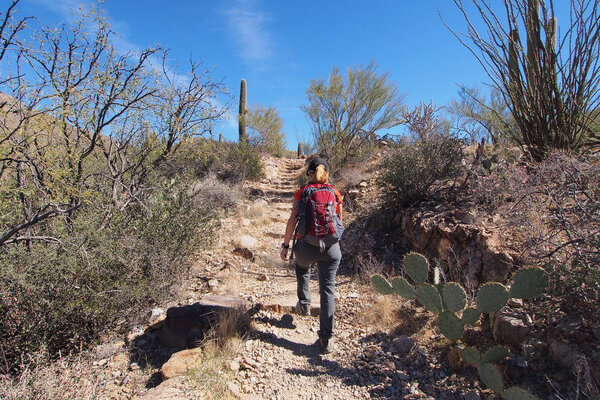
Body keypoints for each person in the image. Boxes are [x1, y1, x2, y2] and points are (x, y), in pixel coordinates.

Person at [279, 157, 343, 354]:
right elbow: (339, 222)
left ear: (309, 173)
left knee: (301, 267)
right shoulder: (335, 193)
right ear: (327, 173)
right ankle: (326, 339)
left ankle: (304, 303)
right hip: (331, 249)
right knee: (327, 289)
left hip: (307, 246)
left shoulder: (303, 193)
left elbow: (292, 221)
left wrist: (286, 245)